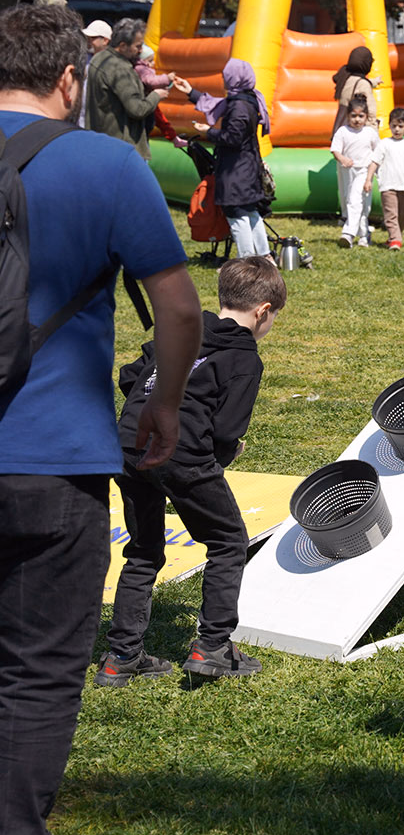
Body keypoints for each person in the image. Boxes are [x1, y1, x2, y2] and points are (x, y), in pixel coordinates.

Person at [0, 2, 203, 835]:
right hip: (57, 457)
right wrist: (164, 402)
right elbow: (181, 310)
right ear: (68, 79)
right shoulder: (109, 163)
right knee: (39, 673)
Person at [98, 257, 286, 686]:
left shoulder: (179, 329)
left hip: (128, 446)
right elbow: (226, 429)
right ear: (263, 311)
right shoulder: (243, 358)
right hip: (180, 453)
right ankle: (212, 646)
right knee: (228, 542)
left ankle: (121, 656)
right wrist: (227, 453)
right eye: (274, 316)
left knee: (143, 549)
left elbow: (130, 377)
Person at [182, 58, 272, 260]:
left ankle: (246, 260)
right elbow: (215, 104)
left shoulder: (239, 106)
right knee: (249, 211)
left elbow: (233, 138)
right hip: (245, 167)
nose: (224, 79)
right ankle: (265, 256)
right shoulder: (246, 99)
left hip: (237, 169)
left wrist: (208, 132)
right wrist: (190, 92)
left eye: (226, 76)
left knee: (236, 213)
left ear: (235, 79)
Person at [84, 18, 169, 161]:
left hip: (101, 142)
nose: (141, 51)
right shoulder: (119, 69)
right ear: (123, 46)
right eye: (138, 46)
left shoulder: (99, 59)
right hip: (121, 149)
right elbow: (137, 109)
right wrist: (156, 95)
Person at [330, 98, 380, 249]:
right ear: (347, 116)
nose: (357, 120)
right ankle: (364, 235)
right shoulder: (343, 131)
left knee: (355, 200)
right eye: (353, 116)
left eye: (361, 116)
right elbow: (335, 150)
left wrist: (372, 175)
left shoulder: (370, 133)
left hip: (365, 170)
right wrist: (343, 159)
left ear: (366, 117)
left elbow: (378, 152)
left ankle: (348, 233)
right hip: (347, 171)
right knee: (356, 202)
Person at [369, 108, 404, 251]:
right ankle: (396, 240)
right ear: (389, 125)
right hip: (388, 185)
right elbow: (375, 161)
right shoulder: (384, 143)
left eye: (400, 126)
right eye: (394, 126)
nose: (397, 129)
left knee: (403, 216)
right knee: (391, 215)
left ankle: (394, 237)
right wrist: (368, 179)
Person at [331, 45, 380, 133]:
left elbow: (354, 84)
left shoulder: (344, 78)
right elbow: (370, 112)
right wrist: (373, 131)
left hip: (341, 128)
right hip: (356, 132)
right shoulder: (363, 84)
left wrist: (373, 82)